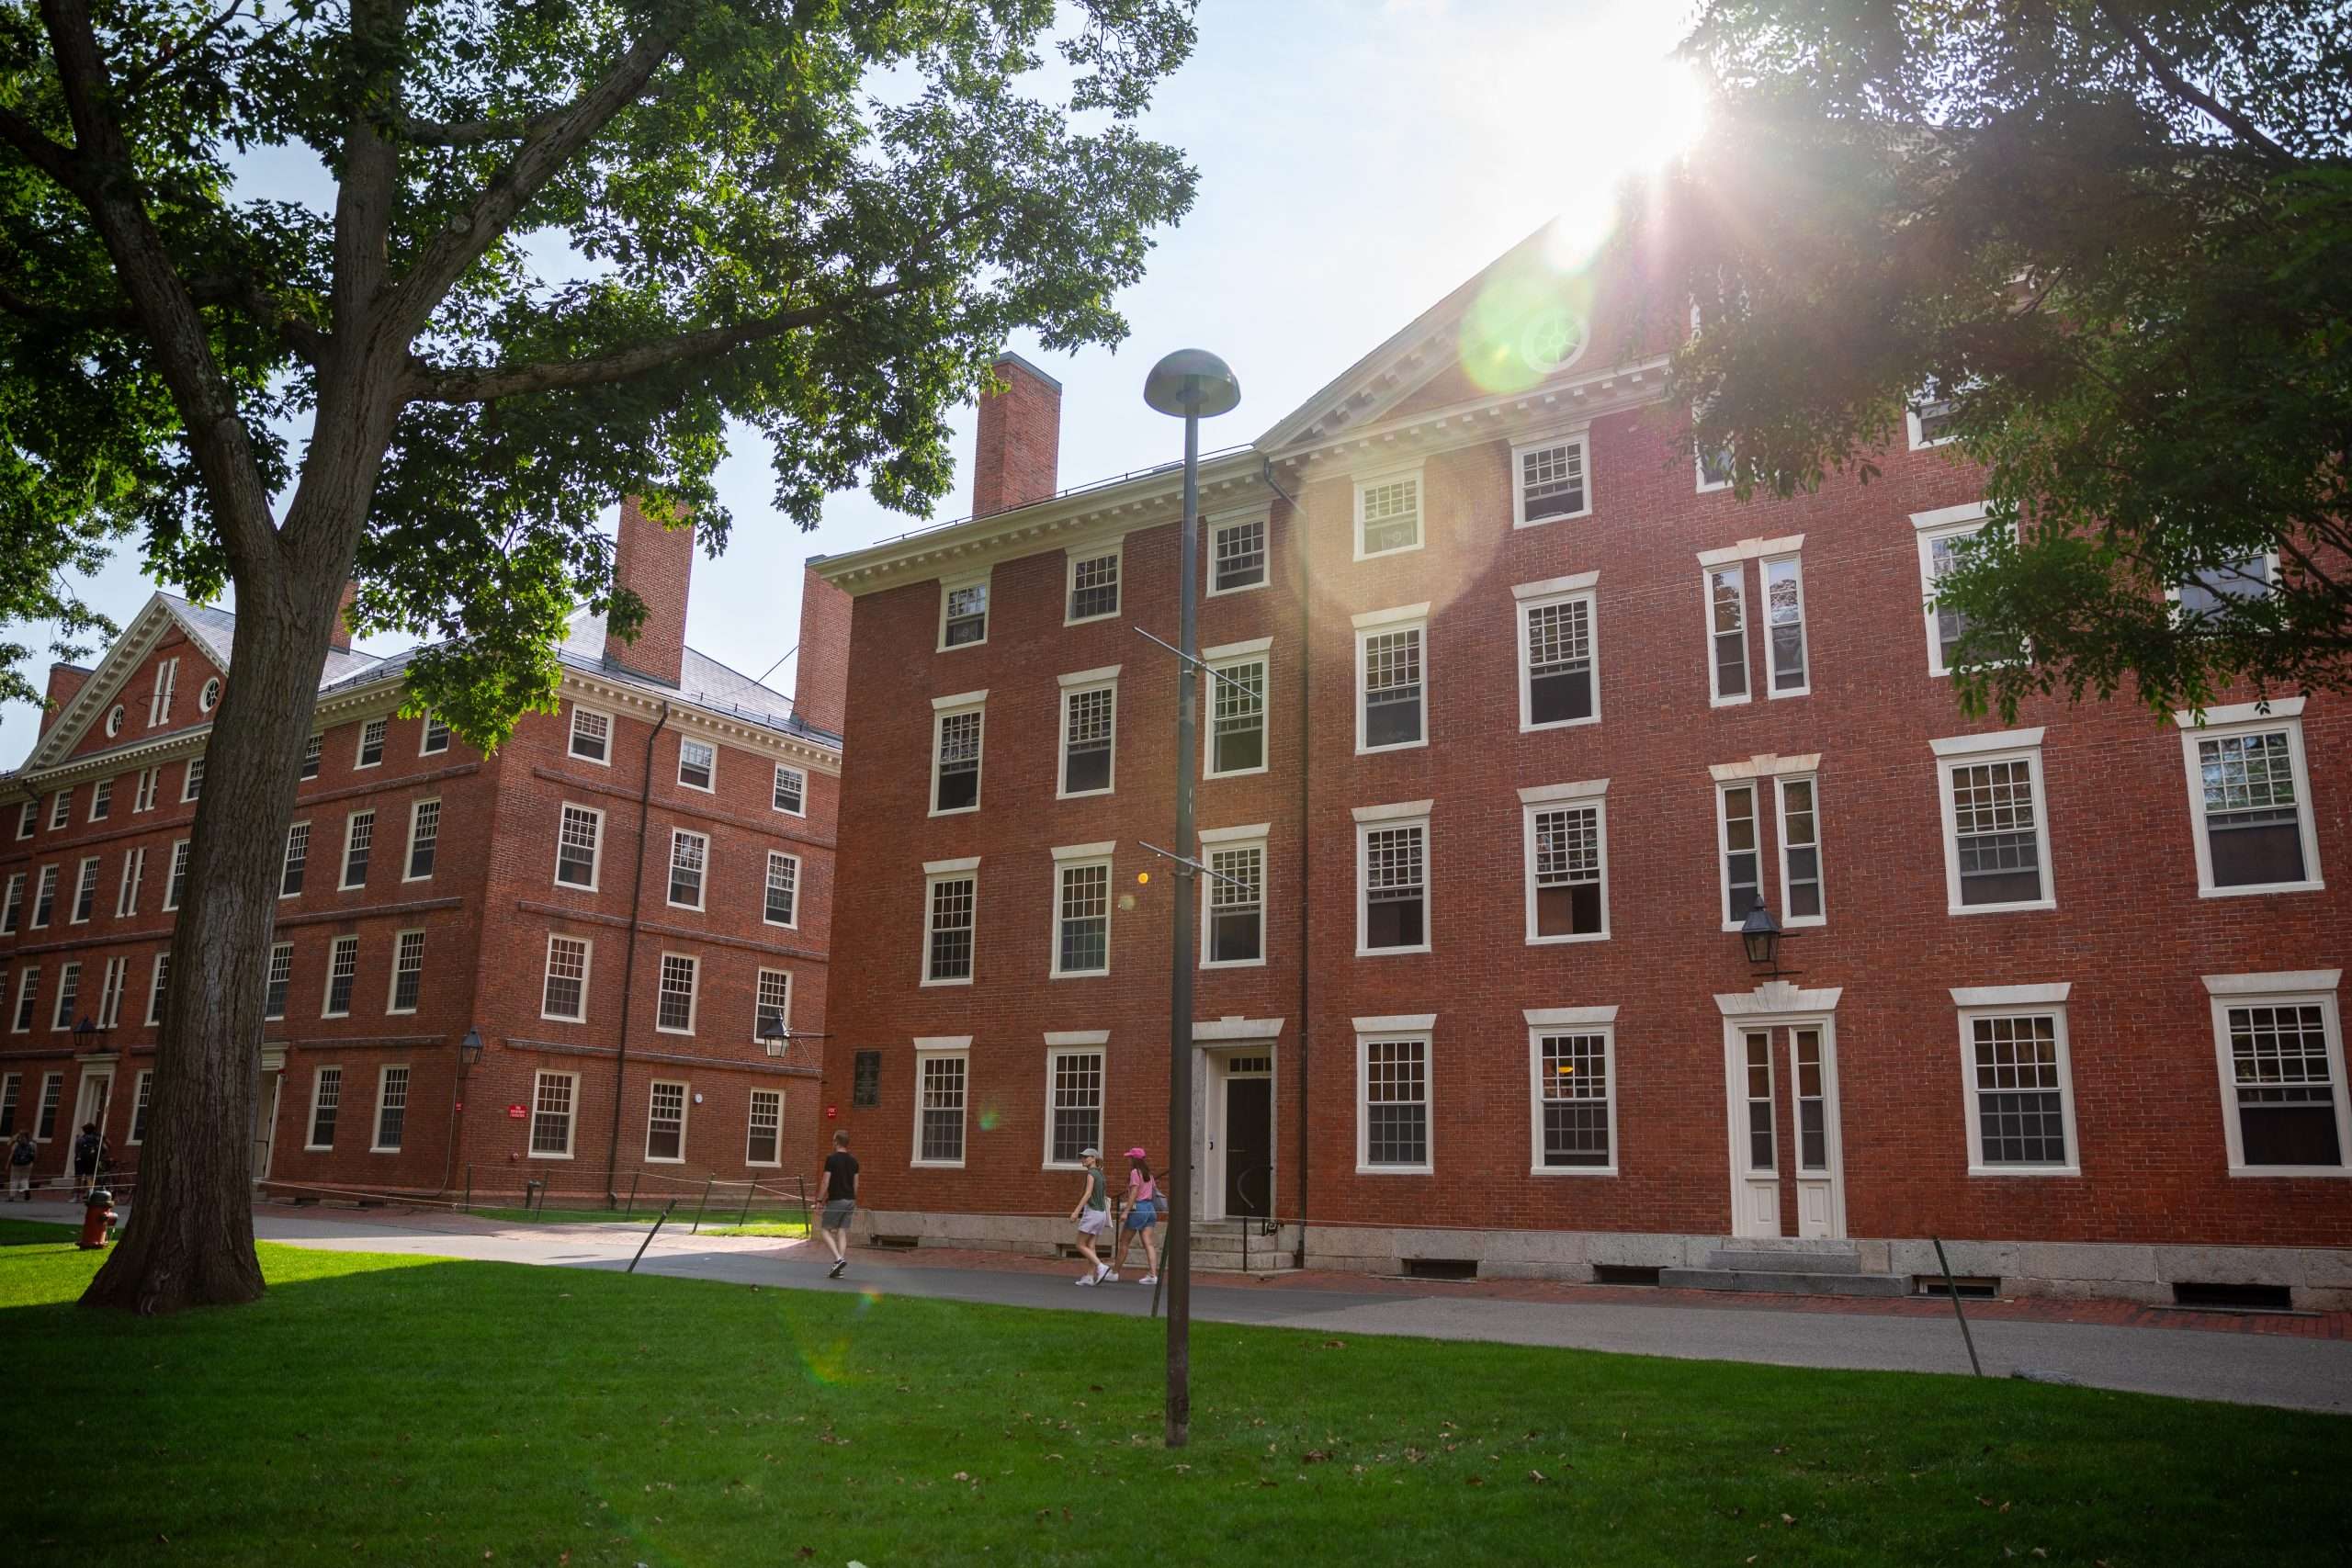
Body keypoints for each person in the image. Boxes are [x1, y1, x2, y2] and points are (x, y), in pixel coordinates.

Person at [1069, 1147, 1115, 1285]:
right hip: (1101, 1214)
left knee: (1080, 1244)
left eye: (1086, 1157)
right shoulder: (1100, 1174)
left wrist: (1076, 1211)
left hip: (1092, 1213)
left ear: (1094, 1158)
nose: (1083, 1159)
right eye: (1083, 1157)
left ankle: (1101, 1267)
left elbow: (1088, 1194)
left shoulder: (1091, 1174)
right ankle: (1090, 1276)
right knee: (1091, 1245)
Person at [1114, 1146, 1160, 1285]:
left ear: (1134, 1159)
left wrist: (1126, 1211)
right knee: (1149, 1243)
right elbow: (1153, 1191)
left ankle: (1114, 1272)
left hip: (1139, 1208)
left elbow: (1134, 1193)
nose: (1129, 1160)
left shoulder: (1135, 1172)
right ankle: (1153, 1274)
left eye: (1130, 1157)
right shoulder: (1149, 1174)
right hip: (1150, 1209)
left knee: (1124, 1242)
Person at [816, 1130, 858, 1279]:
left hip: (836, 1200)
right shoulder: (854, 1161)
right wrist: (853, 1199)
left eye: (833, 1140)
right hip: (850, 1200)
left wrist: (819, 1200)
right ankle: (839, 1267)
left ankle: (838, 1259)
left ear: (836, 1141)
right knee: (842, 1231)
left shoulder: (831, 1159)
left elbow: (825, 1181)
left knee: (825, 1230)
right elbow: (856, 1184)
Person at [72, 1122, 104, 1201]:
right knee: (89, 1177)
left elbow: (76, 1150)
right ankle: (90, 1195)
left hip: (80, 1160)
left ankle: (76, 1197)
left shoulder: (80, 1139)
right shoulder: (96, 1139)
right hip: (91, 1160)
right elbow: (103, 1148)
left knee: (78, 1178)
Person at [7, 1130, 34, 1201]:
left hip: (16, 1164)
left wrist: (7, 1164)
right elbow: (34, 1155)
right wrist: (32, 1162)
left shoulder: (16, 1144)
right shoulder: (32, 1144)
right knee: (25, 1178)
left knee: (14, 1179)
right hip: (27, 1164)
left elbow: (9, 1145)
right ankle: (26, 1188)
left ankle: (11, 1196)